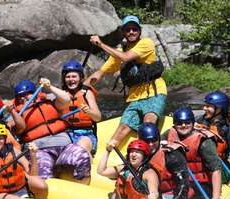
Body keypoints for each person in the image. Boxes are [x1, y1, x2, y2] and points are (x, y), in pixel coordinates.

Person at [84, 15, 167, 152]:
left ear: (139, 31)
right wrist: (82, 88)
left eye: (134, 29)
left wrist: (100, 44)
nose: (131, 32)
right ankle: (105, 157)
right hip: (134, 98)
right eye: (127, 29)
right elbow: (99, 73)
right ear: (123, 32)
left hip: (154, 93)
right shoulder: (119, 51)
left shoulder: (146, 43)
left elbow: (125, 57)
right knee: (122, 128)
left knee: (148, 124)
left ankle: (148, 160)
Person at [17, 78, 92, 185]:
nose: (24, 98)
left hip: (63, 146)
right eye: (21, 96)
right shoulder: (17, 113)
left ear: (35, 93)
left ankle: (84, 188)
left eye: (27, 94)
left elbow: (66, 100)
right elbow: (14, 127)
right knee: (43, 173)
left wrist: (50, 87)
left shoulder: (49, 100)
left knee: (81, 155)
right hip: (40, 149)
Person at [161, 107, 222, 199]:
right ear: (174, 124)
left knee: (185, 192)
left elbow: (216, 170)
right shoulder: (168, 135)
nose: (183, 125)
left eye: (187, 122)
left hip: (200, 185)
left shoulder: (204, 142)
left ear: (193, 123)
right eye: (179, 123)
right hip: (178, 181)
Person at [196, 91, 230, 196]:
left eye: (208, 106)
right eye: (205, 105)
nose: (204, 108)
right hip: (200, 164)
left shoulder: (228, 130)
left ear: (219, 109)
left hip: (220, 168)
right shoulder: (200, 121)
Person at [97, 140, 162, 199]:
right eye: (132, 152)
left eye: (137, 152)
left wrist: (153, 196)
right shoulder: (123, 169)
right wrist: (107, 151)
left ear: (144, 155)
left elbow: (154, 192)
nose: (133, 155)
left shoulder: (149, 173)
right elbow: (101, 171)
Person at [137, 123, 191, 199]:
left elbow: (183, 185)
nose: (151, 144)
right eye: (147, 141)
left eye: (154, 140)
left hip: (171, 197)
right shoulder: (136, 156)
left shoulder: (172, 156)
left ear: (158, 138)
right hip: (149, 197)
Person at [61, 59, 102, 155]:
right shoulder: (62, 95)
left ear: (80, 78)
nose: (71, 79)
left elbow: (98, 117)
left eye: (74, 76)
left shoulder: (86, 93)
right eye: (68, 77)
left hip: (86, 134)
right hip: (67, 134)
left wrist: (89, 112)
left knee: (79, 150)